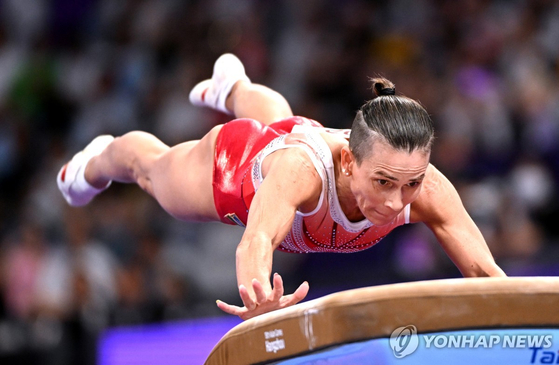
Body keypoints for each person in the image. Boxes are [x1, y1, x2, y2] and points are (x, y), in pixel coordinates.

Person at [57, 54, 506, 320]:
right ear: (349, 161)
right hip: (236, 169)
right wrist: (258, 299)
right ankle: (100, 157)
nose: (395, 202)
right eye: (384, 182)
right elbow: (256, 240)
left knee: (283, 120)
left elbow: (489, 279)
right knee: (151, 172)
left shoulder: (428, 189)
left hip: (295, 137)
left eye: (410, 184)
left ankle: (233, 88)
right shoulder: (303, 172)